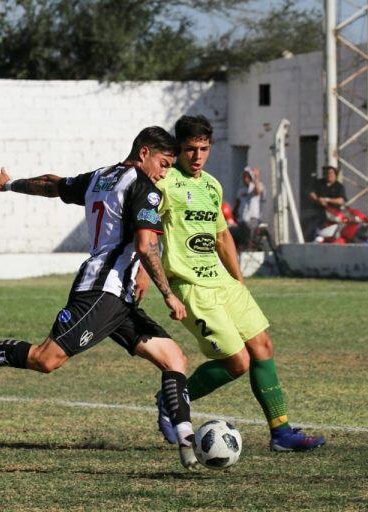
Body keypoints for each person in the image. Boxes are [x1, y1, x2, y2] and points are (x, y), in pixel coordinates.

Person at [0, 127, 199, 469]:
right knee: (45, 360)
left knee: (174, 359)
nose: (164, 173)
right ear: (144, 152)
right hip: (100, 293)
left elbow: (53, 185)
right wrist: (167, 292)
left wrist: (10, 183)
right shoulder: (143, 187)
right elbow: (146, 244)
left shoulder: (100, 177)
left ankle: (187, 443)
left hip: (117, 298)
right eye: (163, 164)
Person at [141, 115, 325, 452]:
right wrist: (147, 279)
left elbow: (222, 235)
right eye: (190, 149)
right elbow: (147, 235)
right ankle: (171, 400)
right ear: (178, 149)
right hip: (191, 286)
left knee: (263, 347)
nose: (197, 156)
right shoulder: (164, 184)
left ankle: (281, 433)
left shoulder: (211, 185)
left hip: (224, 283)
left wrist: (238, 281)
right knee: (236, 362)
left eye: (204, 149)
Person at [306, 165, 347, 242]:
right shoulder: (318, 183)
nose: (328, 175)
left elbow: (341, 200)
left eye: (331, 173)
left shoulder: (339, 186)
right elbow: (311, 193)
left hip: (334, 216)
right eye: (326, 173)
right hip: (318, 213)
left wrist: (327, 200)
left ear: (335, 174)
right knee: (312, 231)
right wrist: (318, 200)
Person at [231, 166, 264, 250]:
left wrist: (256, 177)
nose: (245, 178)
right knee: (230, 231)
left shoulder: (255, 186)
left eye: (247, 176)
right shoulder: (241, 190)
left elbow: (258, 191)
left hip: (253, 220)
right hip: (241, 220)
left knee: (247, 229)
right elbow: (236, 204)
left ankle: (247, 250)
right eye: (244, 176)